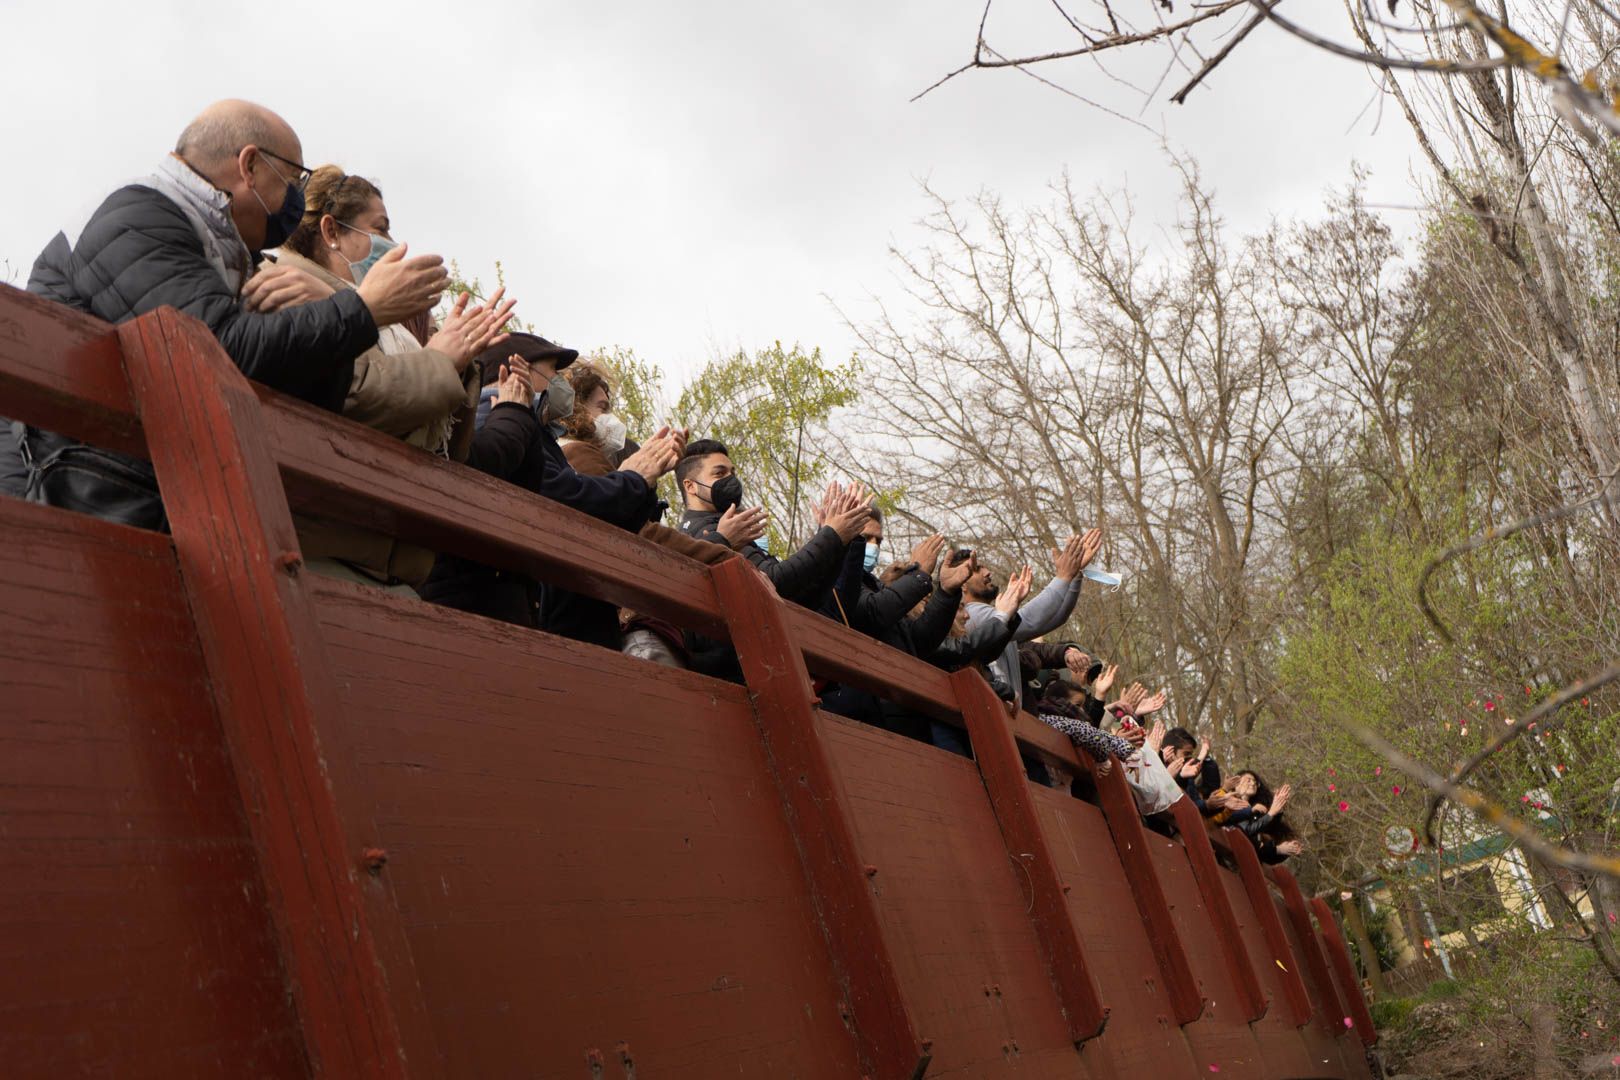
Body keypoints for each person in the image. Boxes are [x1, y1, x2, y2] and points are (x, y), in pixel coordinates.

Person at [2, 100, 448, 528]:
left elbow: (295, 392)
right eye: (292, 179)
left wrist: (322, 309)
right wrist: (363, 309)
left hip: (133, 499)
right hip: (60, 497)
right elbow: (217, 356)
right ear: (249, 166)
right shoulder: (136, 217)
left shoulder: (232, 254)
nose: (297, 198)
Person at [254, 165, 516, 592]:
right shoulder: (288, 289)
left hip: (385, 563)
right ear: (331, 231)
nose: (394, 245)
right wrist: (439, 362)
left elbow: (452, 453)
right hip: (316, 554)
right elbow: (357, 400)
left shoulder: (390, 329)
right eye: (380, 228)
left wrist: (459, 360)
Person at [421, 335, 683, 642]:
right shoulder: (494, 420)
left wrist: (636, 479)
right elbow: (563, 501)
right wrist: (634, 479)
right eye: (553, 373)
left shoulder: (529, 429)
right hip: (483, 611)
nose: (562, 384)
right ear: (515, 372)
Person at [676, 442, 867, 606]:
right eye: (719, 473)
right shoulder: (707, 532)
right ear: (690, 486)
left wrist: (840, 541)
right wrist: (831, 535)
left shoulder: (723, 524)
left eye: (732, 472)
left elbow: (805, 595)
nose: (731, 480)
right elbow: (771, 581)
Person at [960, 529, 1103, 714]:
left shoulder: (992, 616)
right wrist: (1063, 577)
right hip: (992, 715)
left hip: (1008, 717)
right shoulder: (971, 615)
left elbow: (1053, 618)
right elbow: (1029, 621)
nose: (987, 572)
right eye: (977, 569)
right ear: (961, 582)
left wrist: (1074, 575)